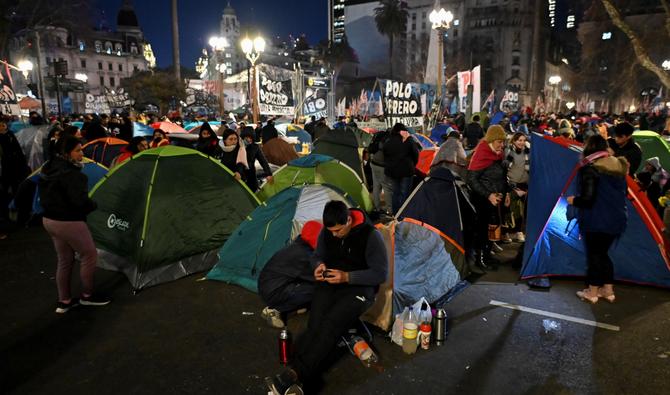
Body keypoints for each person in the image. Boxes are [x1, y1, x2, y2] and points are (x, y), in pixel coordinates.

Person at [267, 201, 387, 395]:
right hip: (332, 281)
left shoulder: (370, 236)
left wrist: (347, 276)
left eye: (338, 230)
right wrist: (318, 266)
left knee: (330, 325)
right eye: (331, 231)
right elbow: (317, 255)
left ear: (348, 220)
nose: (334, 234)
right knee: (315, 322)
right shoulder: (328, 231)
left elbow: (380, 274)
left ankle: (295, 374)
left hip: (360, 288)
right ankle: (301, 374)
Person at [39, 135, 111, 313]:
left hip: (49, 220)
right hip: (69, 222)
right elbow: (80, 202)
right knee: (89, 255)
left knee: (64, 260)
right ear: (66, 153)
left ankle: (64, 301)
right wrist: (93, 204)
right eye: (78, 150)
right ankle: (88, 296)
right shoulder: (73, 175)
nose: (82, 153)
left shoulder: (48, 167)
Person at [566, 135, 628, 304]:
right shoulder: (618, 167)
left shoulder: (590, 168)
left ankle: (592, 292)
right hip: (617, 220)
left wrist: (573, 200)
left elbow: (587, 199)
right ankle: (608, 290)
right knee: (603, 254)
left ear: (589, 148)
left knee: (594, 255)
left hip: (596, 220)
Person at [258, 221, 323, 328]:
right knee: (318, 288)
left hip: (268, 285)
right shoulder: (303, 255)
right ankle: (274, 309)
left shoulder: (298, 245)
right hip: (273, 291)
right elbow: (317, 277)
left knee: (311, 286)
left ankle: (296, 305)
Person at [466, 125, 510, 269]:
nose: (501, 145)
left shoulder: (498, 154)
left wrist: (507, 192)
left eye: (503, 142)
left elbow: (503, 177)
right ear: (491, 140)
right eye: (499, 142)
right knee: (482, 230)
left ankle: (487, 254)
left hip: (497, 200)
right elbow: (471, 179)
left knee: (493, 229)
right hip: (482, 201)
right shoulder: (481, 154)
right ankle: (480, 259)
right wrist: (488, 195)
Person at [0, 116, 30, 238]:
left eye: (3, 124)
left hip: (15, 170)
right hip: (4, 172)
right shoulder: (4, 137)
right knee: (4, 194)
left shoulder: (10, 135)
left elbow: (18, 151)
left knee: (16, 191)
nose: (2, 127)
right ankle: (7, 217)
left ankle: (18, 215)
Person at [383, 123, 419, 214]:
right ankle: (403, 214)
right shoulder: (408, 140)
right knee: (405, 194)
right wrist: (413, 164)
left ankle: (396, 213)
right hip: (406, 171)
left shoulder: (389, 140)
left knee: (396, 193)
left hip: (393, 172)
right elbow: (416, 154)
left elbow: (385, 154)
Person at [503, 132, 530, 243]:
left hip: (524, 184)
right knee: (509, 210)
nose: (522, 143)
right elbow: (505, 170)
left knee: (521, 211)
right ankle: (505, 233)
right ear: (514, 141)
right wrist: (512, 188)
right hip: (512, 185)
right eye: (519, 140)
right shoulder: (509, 152)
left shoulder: (528, 152)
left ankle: (519, 232)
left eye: (523, 140)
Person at [367, 128, 394, 213]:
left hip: (373, 163)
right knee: (387, 188)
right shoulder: (390, 139)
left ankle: (377, 207)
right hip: (382, 166)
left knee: (376, 186)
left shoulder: (379, 135)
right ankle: (390, 209)